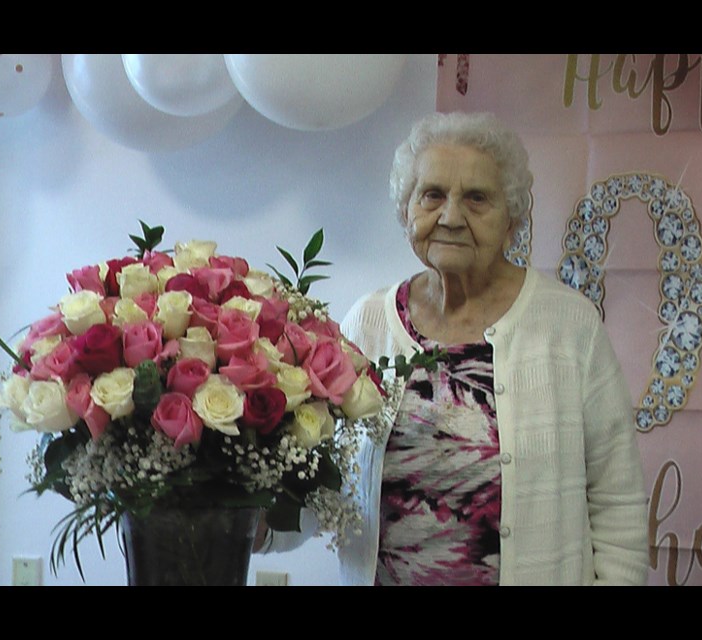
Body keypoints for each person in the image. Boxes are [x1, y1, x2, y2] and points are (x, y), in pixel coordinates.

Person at [261, 111, 649, 586]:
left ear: (513, 221)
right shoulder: (369, 323)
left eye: (477, 198)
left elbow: (617, 502)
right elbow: (325, 479)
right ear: (407, 211)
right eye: (433, 195)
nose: (450, 216)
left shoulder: (569, 325)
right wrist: (249, 524)